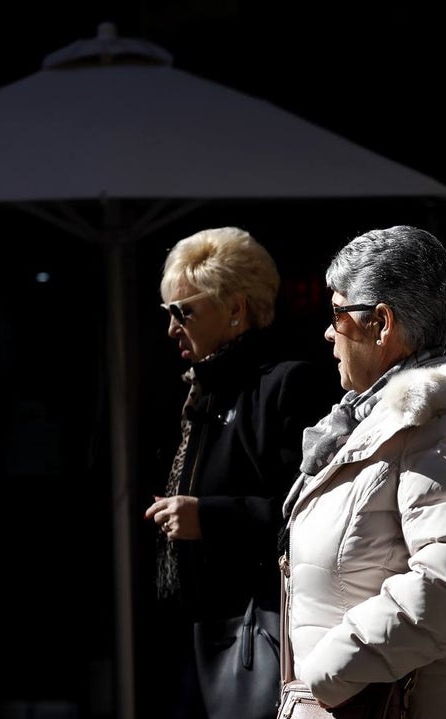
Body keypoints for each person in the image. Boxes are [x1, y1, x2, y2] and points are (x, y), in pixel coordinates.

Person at [280, 225, 446, 718]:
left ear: (381, 323)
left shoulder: (443, 422)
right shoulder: (381, 422)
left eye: (337, 313)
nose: (328, 332)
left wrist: (328, 673)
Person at [143, 227, 337, 719]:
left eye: (183, 311)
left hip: (253, 632)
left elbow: (311, 518)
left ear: (236, 309)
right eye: (168, 312)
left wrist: (209, 518)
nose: (171, 329)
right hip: (198, 633)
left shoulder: (284, 386)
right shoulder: (198, 393)